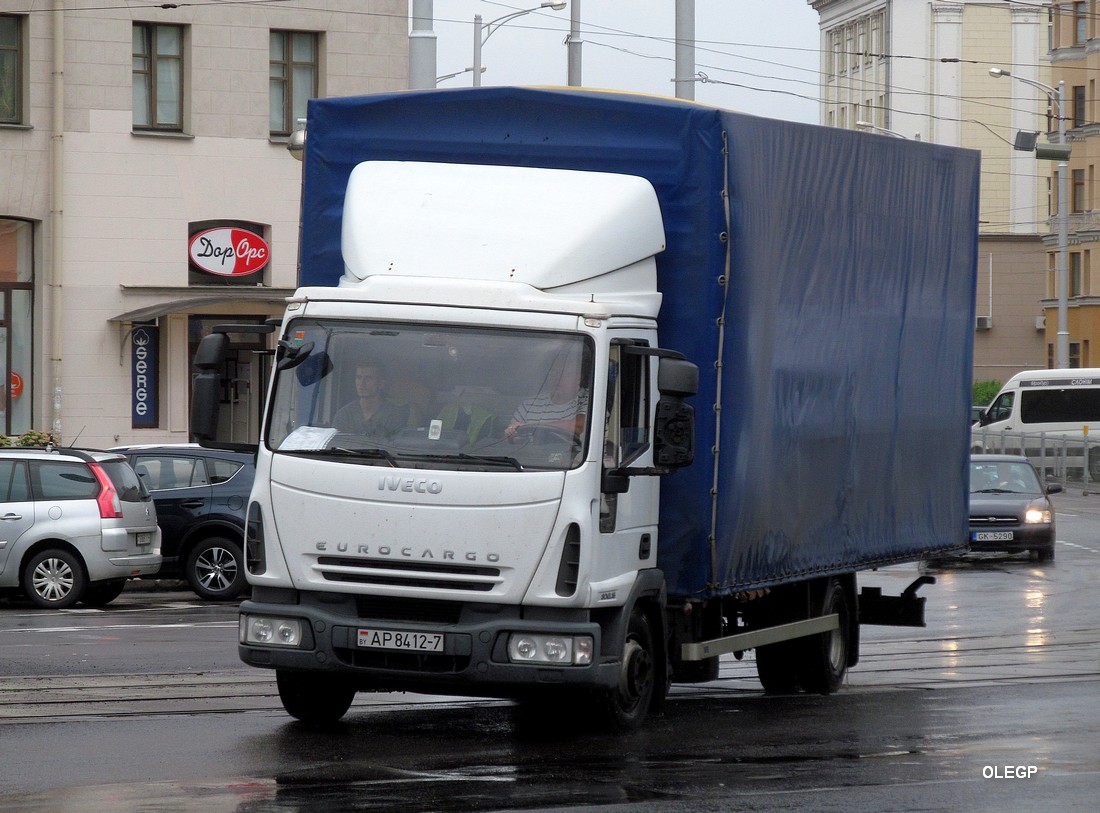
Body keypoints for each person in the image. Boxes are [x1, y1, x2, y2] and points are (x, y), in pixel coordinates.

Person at [505, 352, 589, 441]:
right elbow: (506, 439)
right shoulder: (529, 405)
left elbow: (579, 425)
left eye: (564, 373)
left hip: (572, 454)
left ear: (579, 377)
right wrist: (511, 434)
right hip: (529, 454)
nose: (558, 378)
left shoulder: (588, 399)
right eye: (554, 372)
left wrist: (536, 427)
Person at [334, 362, 410, 439]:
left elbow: (396, 447)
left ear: (381, 383)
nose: (362, 383)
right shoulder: (344, 415)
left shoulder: (395, 415)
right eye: (359, 377)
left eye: (368, 378)